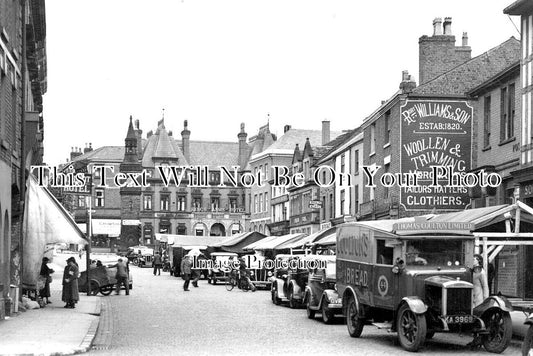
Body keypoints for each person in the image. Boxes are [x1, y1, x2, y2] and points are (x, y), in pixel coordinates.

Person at [468, 254, 490, 349]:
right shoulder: (470, 270)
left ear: (478, 261)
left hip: (478, 295)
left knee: (478, 316)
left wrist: (486, 298)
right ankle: (475, 339)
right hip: (470, 295)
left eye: (474, 259)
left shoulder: (481, 271)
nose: (473, 260)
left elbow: (485, 285)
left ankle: (478, 340)